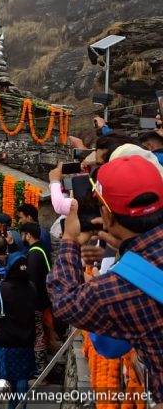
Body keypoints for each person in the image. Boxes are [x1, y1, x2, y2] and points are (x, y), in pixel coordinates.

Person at [47, 155, 163, 402]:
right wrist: (124, 249)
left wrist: (69, 241)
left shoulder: (120, 288)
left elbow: (65, 302)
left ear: (107, 215)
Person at [0, 254, 36, 409]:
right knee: (22, 378)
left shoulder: (0, 289)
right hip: (26, 342)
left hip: (4, 343)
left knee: (4, 380)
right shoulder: (31, 288)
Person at [19, 221, 51, 374]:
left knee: (38, 335)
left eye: (22, 234)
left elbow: (31, 281)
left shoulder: (34, 253)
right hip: (43, 300)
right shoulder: (41, 249)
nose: (21, 237)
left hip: (36, 303)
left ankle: (40, 371)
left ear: (28, 235)